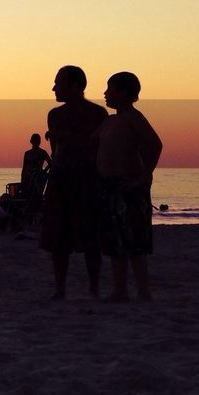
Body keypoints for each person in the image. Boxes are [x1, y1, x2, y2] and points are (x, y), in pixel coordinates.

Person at [40, 65, 109, 299]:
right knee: (58, 238)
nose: (54, 88)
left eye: (58, 83)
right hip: (61, 178)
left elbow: (95, 147)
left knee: (91, 236)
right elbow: (57, 150)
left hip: (88, 178)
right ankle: (60, 289)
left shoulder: (98, 114)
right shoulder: (55, 115)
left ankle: (94, 287)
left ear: (75, 86)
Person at [96, 72, 163, 301]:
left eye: (110, 88)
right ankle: (120, 290)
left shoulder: (134, 118)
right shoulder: (110, 121)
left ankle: (144, 291)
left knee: (135, 241)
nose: (105, 93)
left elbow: (155, 144)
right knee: (115, 242)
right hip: (110, 186)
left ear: (124, 93)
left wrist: (144, 175)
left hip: (130, 187)